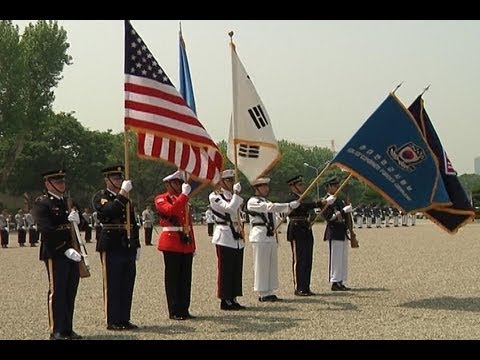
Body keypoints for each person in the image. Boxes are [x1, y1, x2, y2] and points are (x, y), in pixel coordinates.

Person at [32, 169, 83, 340]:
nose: (62, 184)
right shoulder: (42, 203)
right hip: (56, 252)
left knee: (70, 291)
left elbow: (82, 226)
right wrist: (64, 249)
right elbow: (45, 230)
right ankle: (56, 330)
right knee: (58, 291)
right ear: (48, 184)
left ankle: (68, 328)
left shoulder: (69, 202)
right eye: (58, 182)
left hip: (73, 251)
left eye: (62, 181)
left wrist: (79, 220)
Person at [92, 165, 140, 331]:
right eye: (116, 178)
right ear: (107, 180)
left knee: (127, 283)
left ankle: (124, 318)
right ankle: (113, 320)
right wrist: (122, 194)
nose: (120, 181)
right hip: (111, 243)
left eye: (121, 178)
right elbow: (110, 211)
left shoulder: (127, 198)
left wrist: (137, 243)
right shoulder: (101, 196)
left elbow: (133, 223)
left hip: (126, 244)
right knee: (112, 283)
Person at [246, 177, 300, 302]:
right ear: (256, 188)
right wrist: (287, 205)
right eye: (263, 186)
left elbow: (275, 215)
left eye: (266, 186)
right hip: (259, 234)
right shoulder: (252, 201)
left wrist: (288, 211)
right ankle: (262, 292)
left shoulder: (267, 201)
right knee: (262, 265)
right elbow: (269, 208)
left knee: (271, 265)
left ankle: (270, 290)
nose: (266, 188)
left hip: (270, 235)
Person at [154, 170, 196, 320]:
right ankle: (174, 310)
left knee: (185, 278)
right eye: (175, 183)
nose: (178, 185)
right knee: (173, 279)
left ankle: (184, 308)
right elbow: (171, 211)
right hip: (171, 241)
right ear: (168, 184)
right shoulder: (161, 199)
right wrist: (184, 196)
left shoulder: (183, 199)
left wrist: (193, 244)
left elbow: (188, 223)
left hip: (185, 241)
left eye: (179, 183)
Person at [285, 175, 335, 296]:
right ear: (293, 187)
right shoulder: (291, 198)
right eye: (300, 185)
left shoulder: (305, 197)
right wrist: (320, 202)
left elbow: (310, 204)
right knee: (299, 259)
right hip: (296, 228)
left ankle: (306, 286)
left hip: (306, 227)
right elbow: (303, 206)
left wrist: (324, 203)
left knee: (308, 259)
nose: (303, 186)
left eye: (302, 184)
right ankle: (299, 287)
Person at [209, 169, 246, 310]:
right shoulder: (215, 196)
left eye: (232, 180)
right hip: (224, 235)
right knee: (225, 269)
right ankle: (225, 299)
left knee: (236, 268)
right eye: (229, 180)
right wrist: (236, 194)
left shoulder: (233, 195)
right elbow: (230, 209)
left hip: (236, 235)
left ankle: (234, 297)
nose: (231, 183)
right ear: (221, 182)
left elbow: (239, 213)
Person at [322, 176, 354, 291]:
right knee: (335, 258)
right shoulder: (325, 201)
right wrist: (343, 211)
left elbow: (346, 216)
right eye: (334, 186)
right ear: (329, 187)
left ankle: (341, 280)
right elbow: (329, 217)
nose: (337, 188)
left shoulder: (340, 199)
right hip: (334, 231)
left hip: (342, 231)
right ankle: (335, 281)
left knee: (342, 258)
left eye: (337, 186)